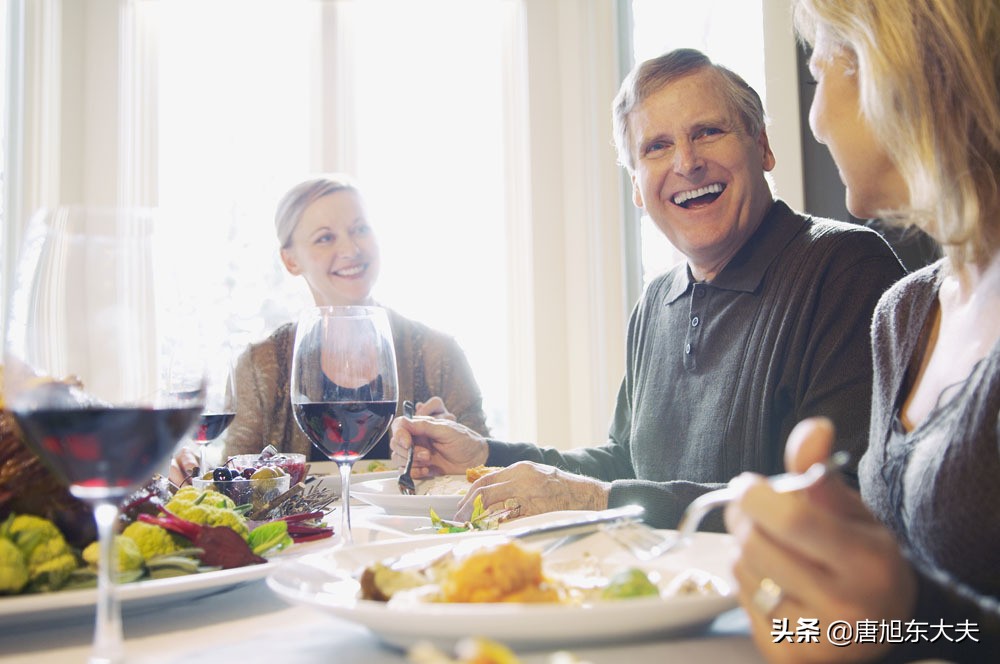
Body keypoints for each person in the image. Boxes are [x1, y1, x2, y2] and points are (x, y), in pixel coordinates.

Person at [390, 48, 904, 529]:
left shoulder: (845, 267)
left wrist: (601, 502)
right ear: (636, 185)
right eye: (656, 146)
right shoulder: (655, 304)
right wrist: (486, 455)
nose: (686, 162)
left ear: (764, 147)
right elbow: (624, 462)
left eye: (708, 132)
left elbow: (842, 501)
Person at [724, 0, 1000, 661]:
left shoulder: (838, 268)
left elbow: (901, 615)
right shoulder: (902, 316)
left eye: (818, 71)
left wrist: (904, 618)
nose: (814, 121)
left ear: (892, 63)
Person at [172, 175, 489, 483]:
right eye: (325, 237)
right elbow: (237, 485)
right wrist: (194, 474)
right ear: (290, 260)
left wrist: (453, 456)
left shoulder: (438, 354)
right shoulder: (259, 365)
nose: (352, 249)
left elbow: (491, 477)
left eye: (360, 229)